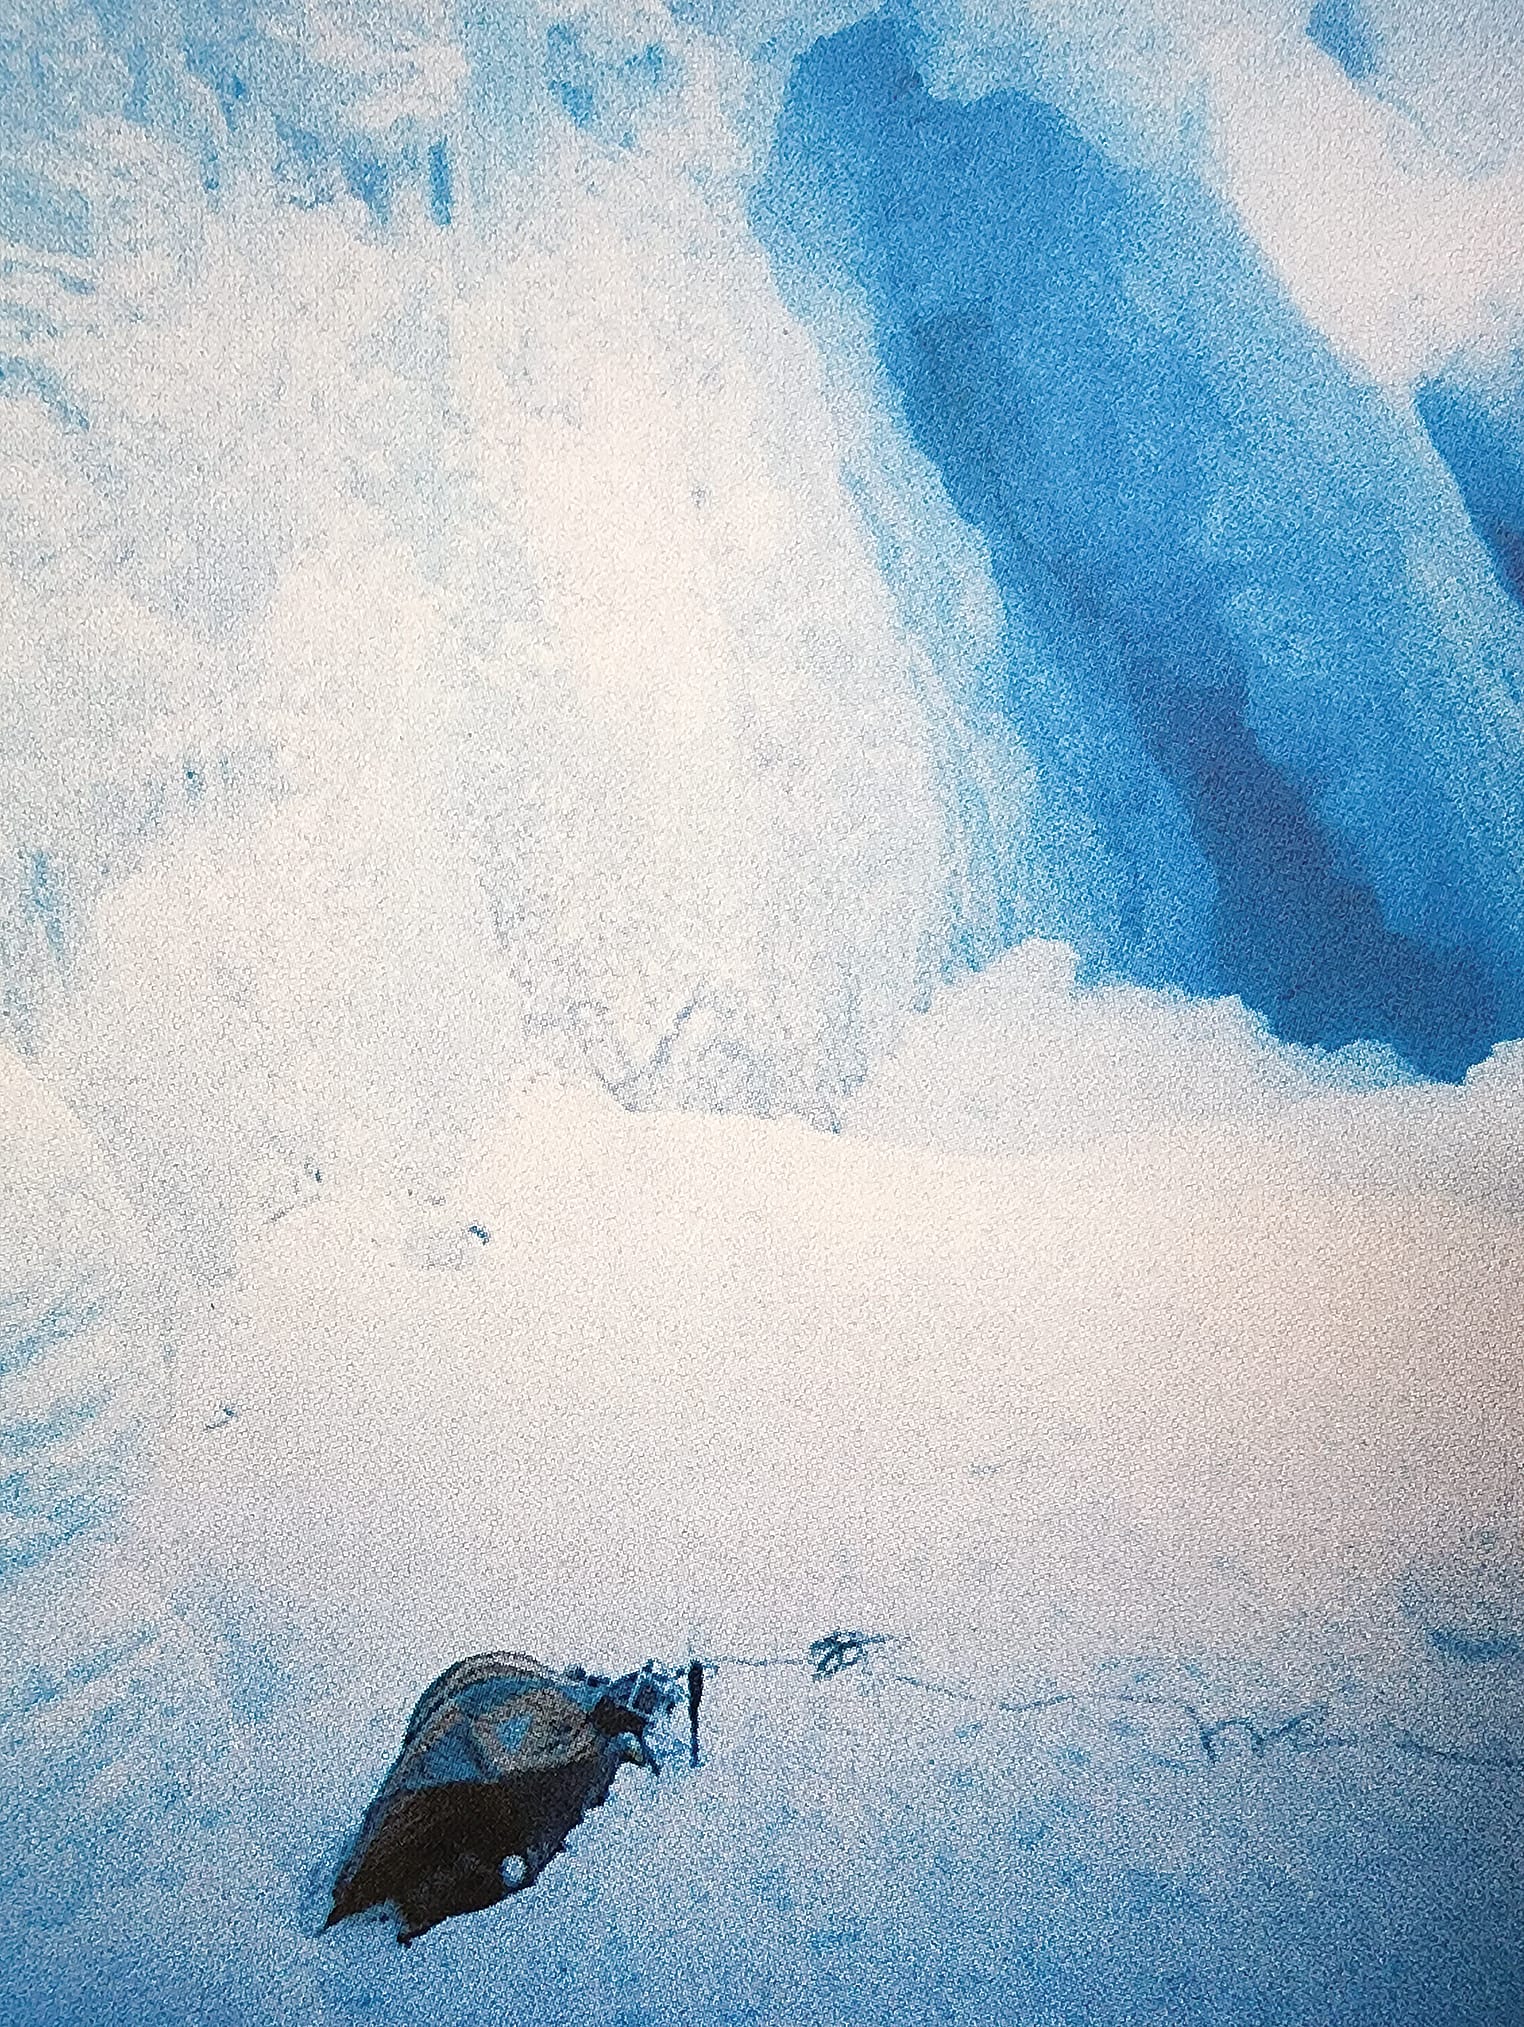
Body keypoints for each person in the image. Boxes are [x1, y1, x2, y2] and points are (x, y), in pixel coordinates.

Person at [325, 1651, 677, 1944]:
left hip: (510, 1816)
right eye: (631, 1703)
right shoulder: (556, 1704)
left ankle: (418, 1914)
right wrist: (508, 1770)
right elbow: (478, 1726)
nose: (626, 1715)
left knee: (479, 1869)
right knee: (456, 1851)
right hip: (483, 1795)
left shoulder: (605, 1753)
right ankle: (385, 1908)